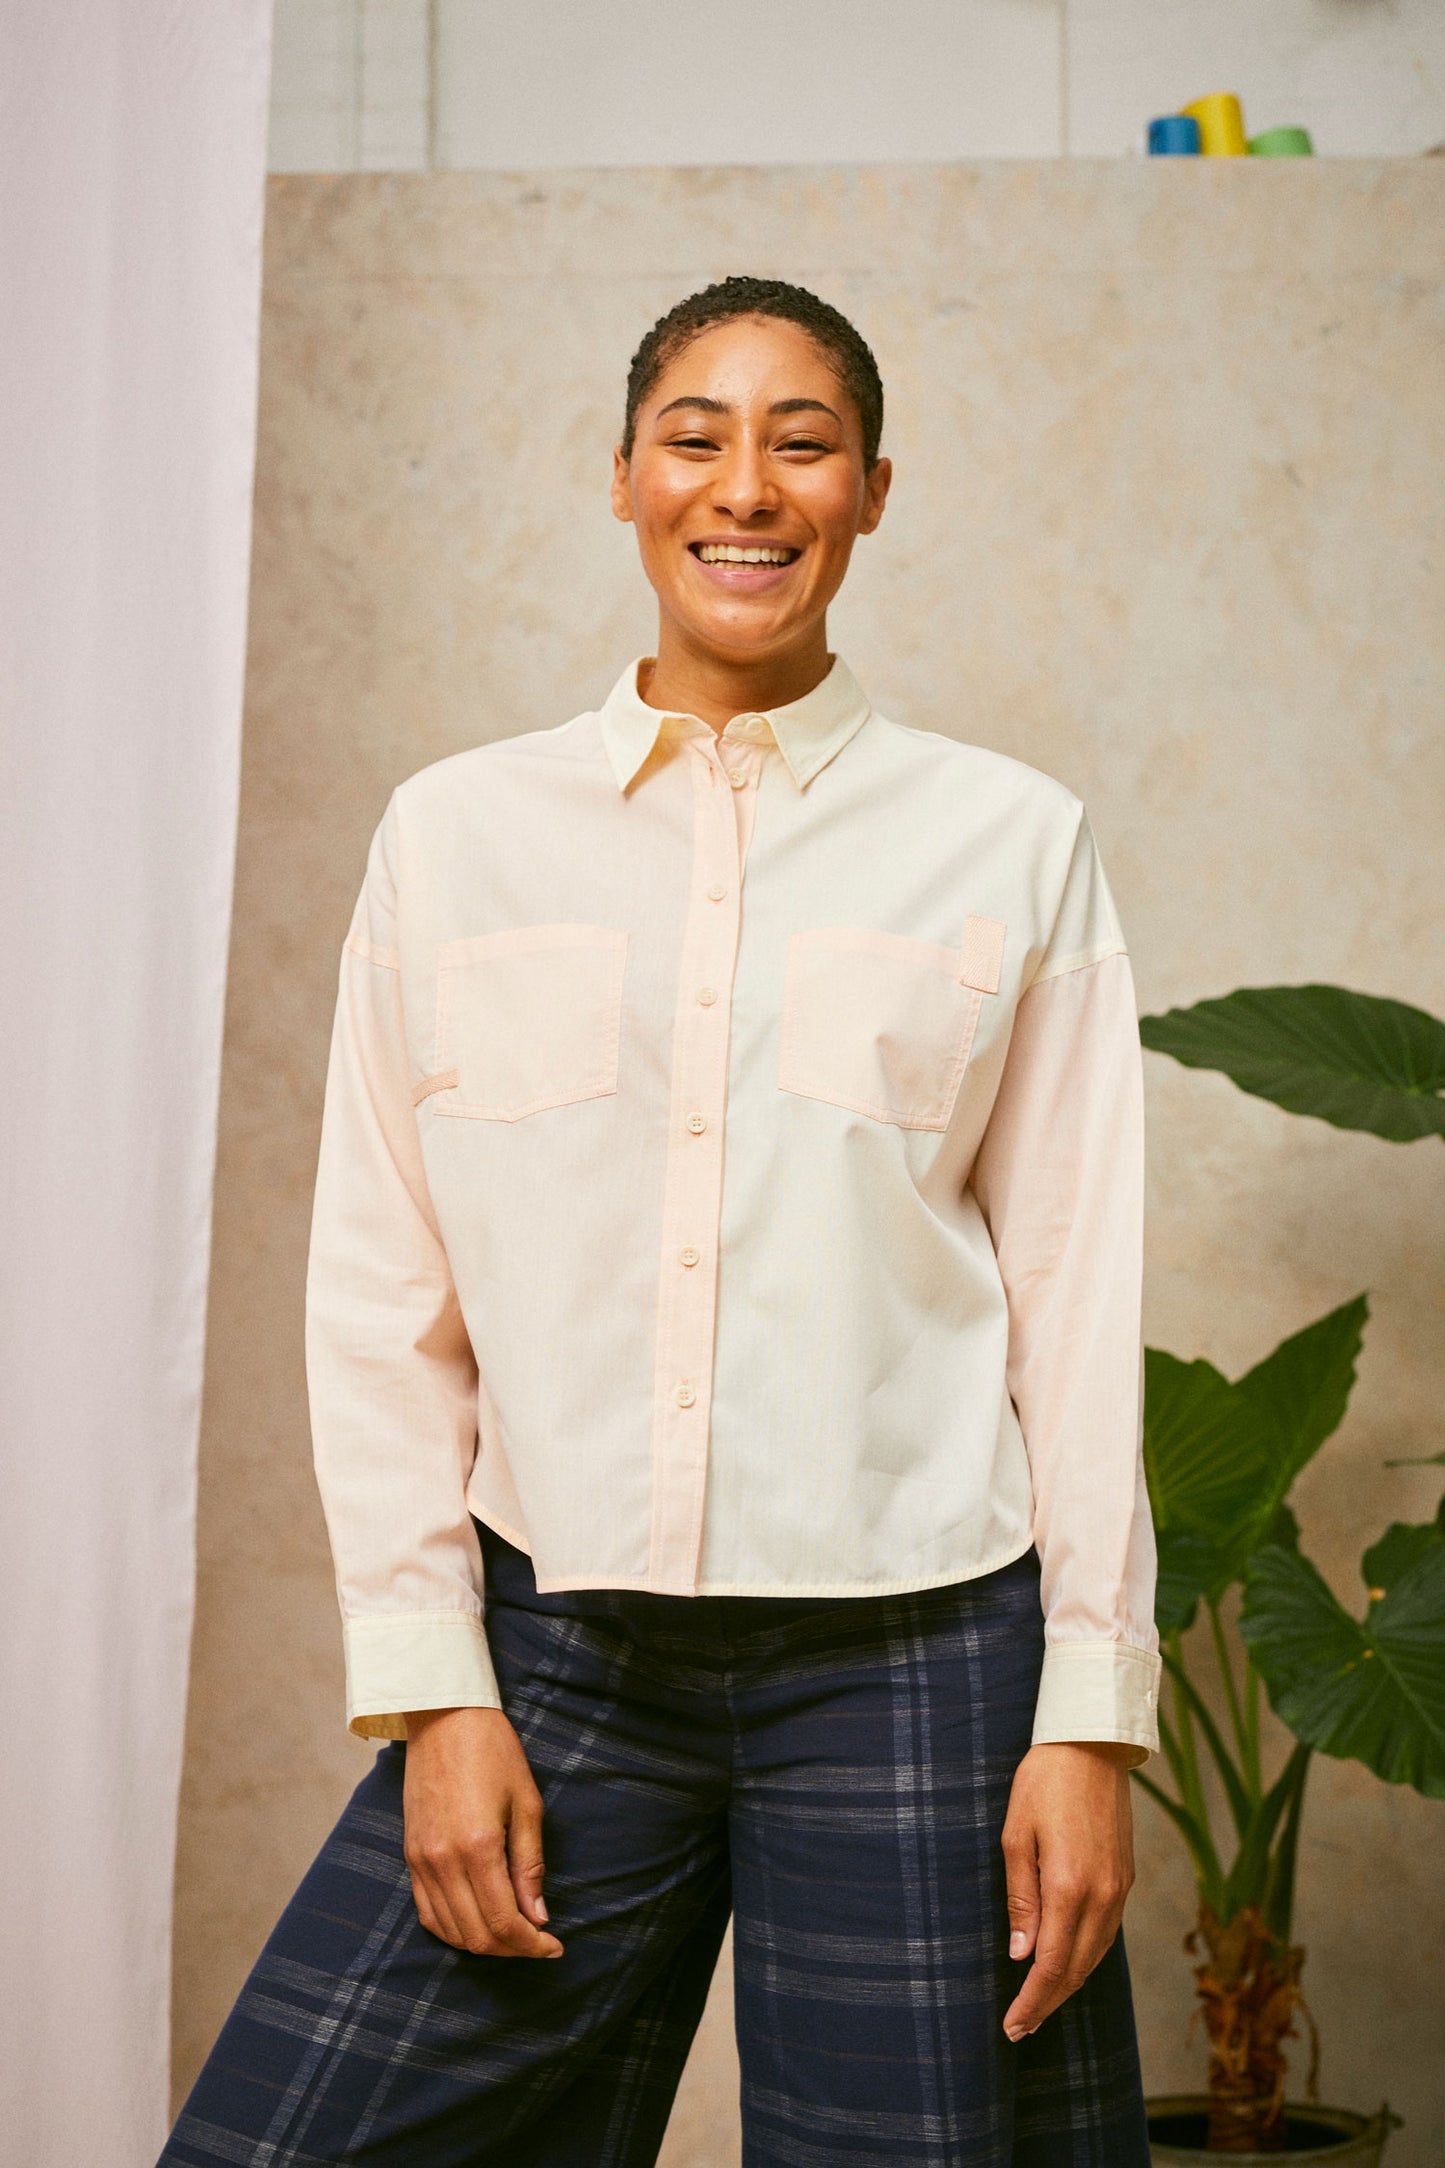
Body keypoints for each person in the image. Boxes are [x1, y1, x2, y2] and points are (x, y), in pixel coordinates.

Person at [159, 275, 1162, 2167]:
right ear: (623, 477)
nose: (747, 485)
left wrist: (1085, 1720)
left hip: (916, 1661)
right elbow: (386, 1292)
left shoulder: (1010, 839)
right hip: (556, 1655)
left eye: (803, 444)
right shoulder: (454, 835)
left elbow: (1070, 1289)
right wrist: (430, 1689)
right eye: (698, 436)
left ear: (874, 492)